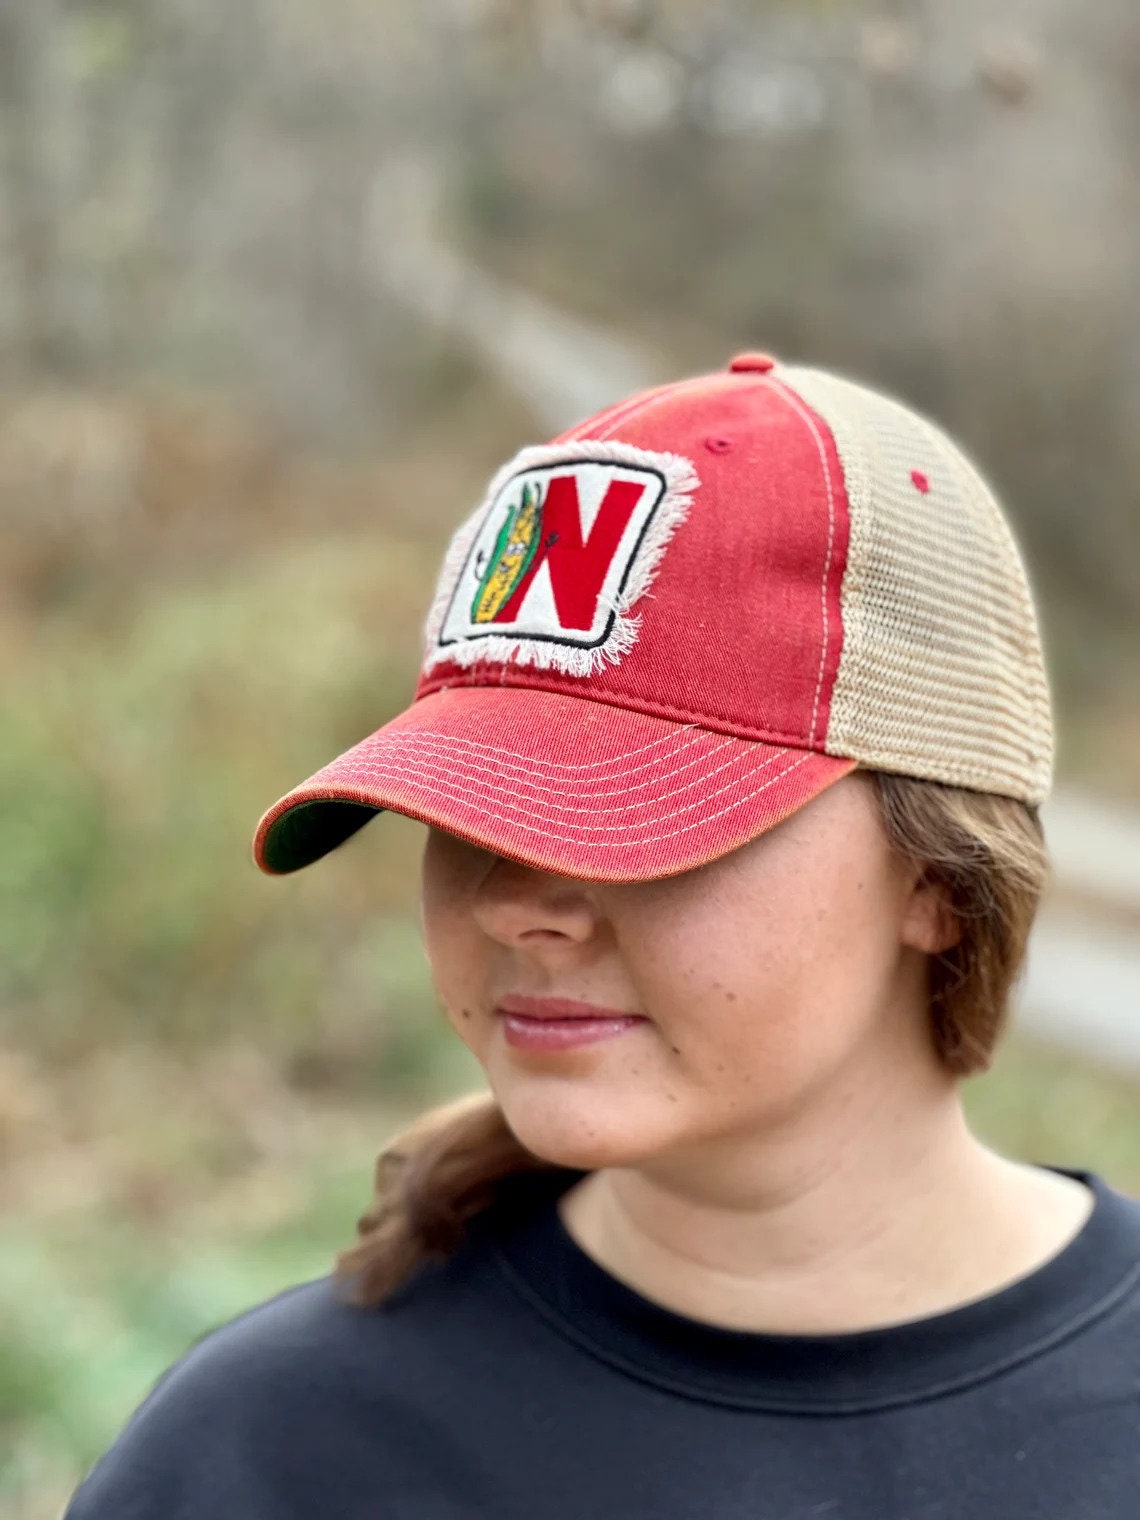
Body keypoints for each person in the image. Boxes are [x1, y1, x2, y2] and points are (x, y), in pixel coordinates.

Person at [63, 352, 1140, 1519]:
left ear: (936, 872)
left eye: (648, 820)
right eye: (466, 807)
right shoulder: (268, 1458)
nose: (512, 902)